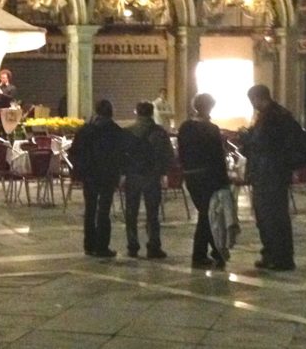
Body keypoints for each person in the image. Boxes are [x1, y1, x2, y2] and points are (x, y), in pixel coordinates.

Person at [242, 84, 304, 271]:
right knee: (264, 217)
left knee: (274, 217)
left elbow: (264, 145)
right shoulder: (273, 115)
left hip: (271, 174)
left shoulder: (274, 117)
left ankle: (281, 257)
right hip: (267, 173)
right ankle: (270, 253)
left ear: (257, 98)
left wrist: (247, 139)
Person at [178, 92, 230, 269]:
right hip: (208, 176)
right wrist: (224, 180)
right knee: (208, 214)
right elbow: (217, 156)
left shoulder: (185, 127)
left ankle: (214, 251)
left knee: (206, 213)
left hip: (191, 175)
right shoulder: (211, 129)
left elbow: (182, 152)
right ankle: (201, 253)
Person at [69, 99, 126, 258]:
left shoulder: (86, 130)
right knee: (104, 210)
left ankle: (89, 244)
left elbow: (74, 151)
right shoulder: (115, 131)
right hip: (108, 175)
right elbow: (121, 154)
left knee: (90, 209)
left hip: (90, 175)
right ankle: (102, 246)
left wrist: (80, 169)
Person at [123, 101, 173, 260]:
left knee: (131, 212)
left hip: (133, 176)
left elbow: (121, 155)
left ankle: (132, 246)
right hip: (152, 176)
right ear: (152, 113)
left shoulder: (128, 131)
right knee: (152, 213)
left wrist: (123, 173)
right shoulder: (160, 132)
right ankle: (153, 246)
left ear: (136, 112)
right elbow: (168, 155)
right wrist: (163, 172)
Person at [0, 69, 18, 134]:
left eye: (4, 78)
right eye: (1, 78)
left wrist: (2, 94)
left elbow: (11, 98)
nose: (2, 79)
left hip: (6, 109)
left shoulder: (12, 88)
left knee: (5, 129)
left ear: (8, 78)